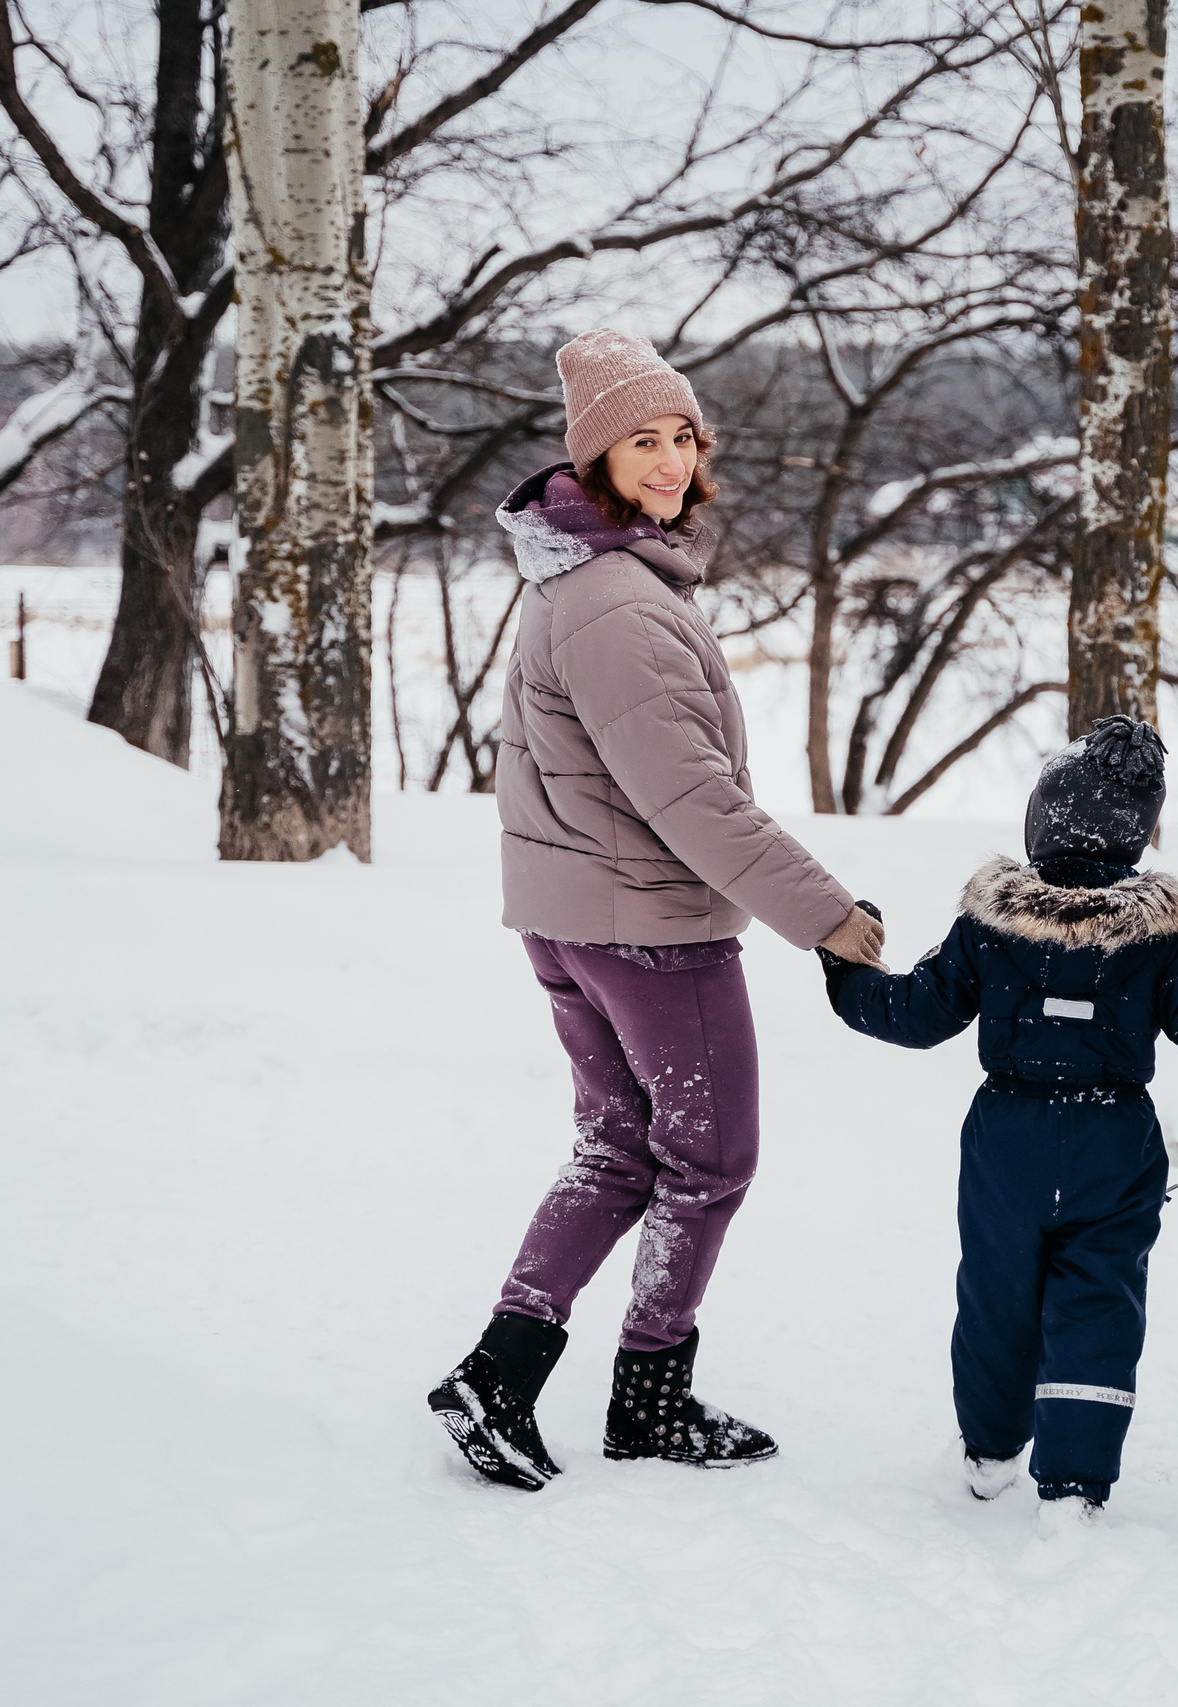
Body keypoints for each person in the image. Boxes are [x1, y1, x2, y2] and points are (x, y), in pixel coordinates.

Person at [428, 328, 889, 1491]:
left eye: (682, 435)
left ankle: (505, 1373)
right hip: (648, 924)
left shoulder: (584, 579)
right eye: (642, 440)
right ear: (592, 459)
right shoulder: (618, 604)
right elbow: (689, 798)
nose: (672, 458)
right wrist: (826, 915)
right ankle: (645, 1396)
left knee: (617, 1150)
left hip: (578, 911)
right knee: (710, 1158)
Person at [818, 717, 1178, 1527]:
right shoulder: (1154, 936)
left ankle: (988, 1450)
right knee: (1099, 1302)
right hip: (1115, 1141)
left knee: (998, 1292)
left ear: (1044, 819)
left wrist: (844, 972)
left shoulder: (990, 923)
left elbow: (916, 1012)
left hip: (1006, 1140)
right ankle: (1073, 1485)